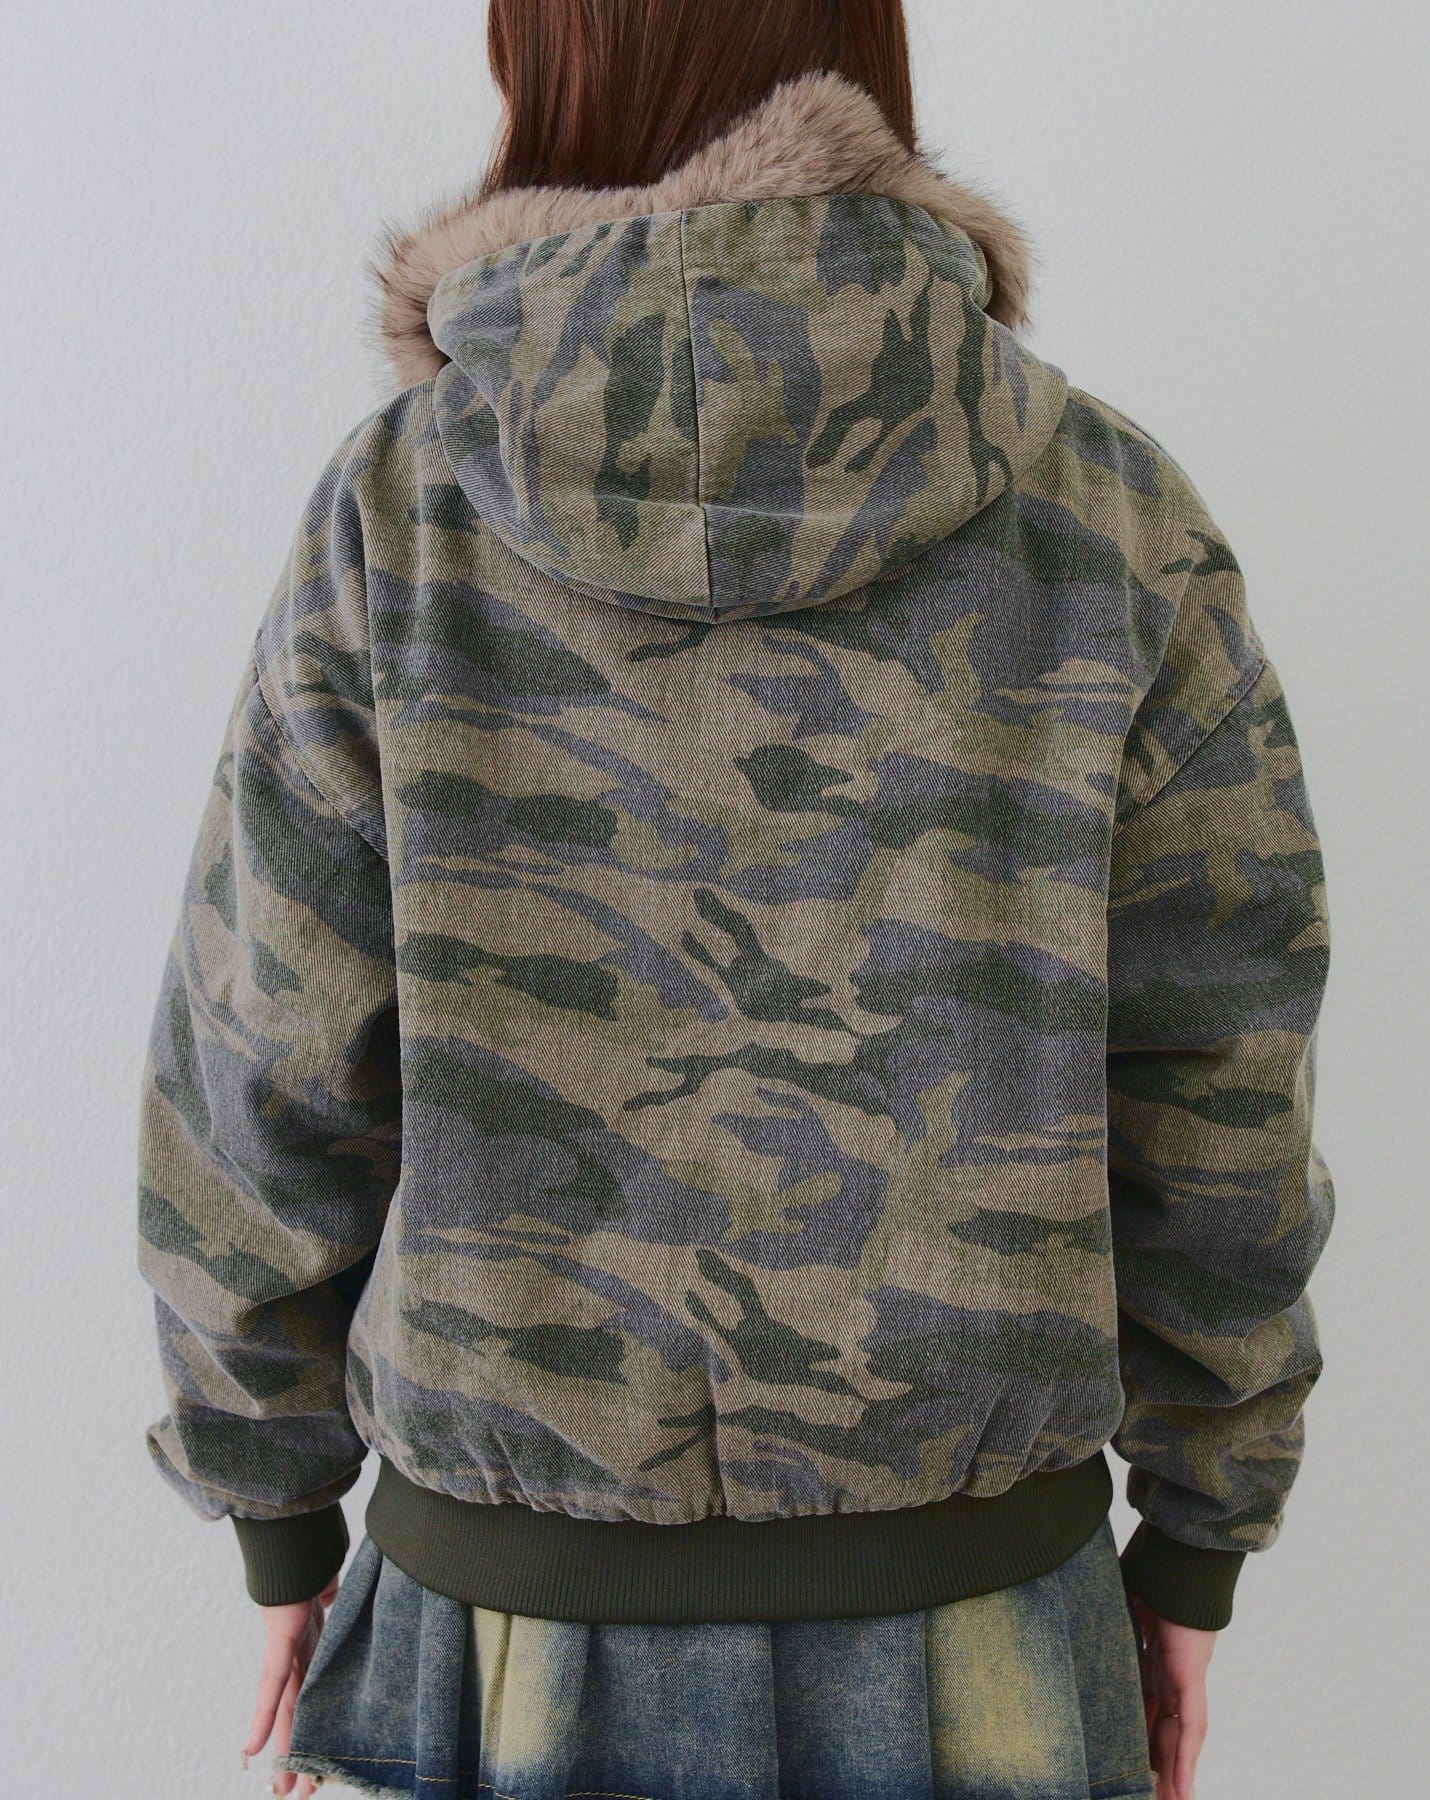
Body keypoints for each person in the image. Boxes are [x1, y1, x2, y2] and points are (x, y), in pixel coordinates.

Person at [137, 2, 1334, 1795]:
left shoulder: (401, 514)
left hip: (507, 1638)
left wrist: (275, 1504)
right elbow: (1224, 1072)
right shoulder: (1109, 517)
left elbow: (265, 1055)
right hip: (983, 1635)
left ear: (556, 75)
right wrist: (1199, 1530)